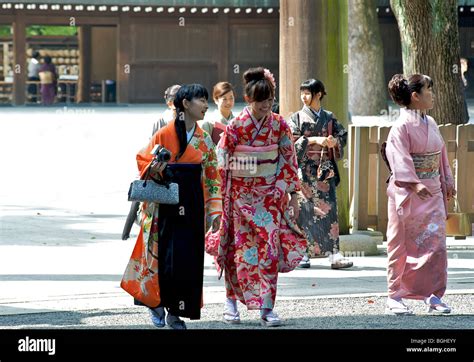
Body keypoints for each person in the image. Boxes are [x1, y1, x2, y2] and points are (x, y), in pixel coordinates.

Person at [121, 84, 222, 329]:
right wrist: (154, 169)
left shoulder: (204, 139)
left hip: (192, 205)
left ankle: (176, 312)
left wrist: (214, 210)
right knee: (159, 258)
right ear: (185, 104)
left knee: (186, 259)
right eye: (201, 99)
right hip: (160, 206)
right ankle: (156, 303)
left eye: (207, 100)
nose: (206, 105)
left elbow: (212, 175)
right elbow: (142, 160)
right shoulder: (163, 134)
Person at [216, 67, 307, 327]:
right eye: (261, 101)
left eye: (270, 100)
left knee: (269, 251)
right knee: (239, 252)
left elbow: (289, 160)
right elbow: (222, 162)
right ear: (249, 100)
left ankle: (267, 308)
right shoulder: (235, 127)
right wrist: (226, 192)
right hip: (239, 198)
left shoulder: (279, 125)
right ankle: (231, 301)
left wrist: (291, 194)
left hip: (269, 198)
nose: (267, 105)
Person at [384, 74, 456, 315]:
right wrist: (414, 184)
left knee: (436, 246)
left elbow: (441, 155)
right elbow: (399, 160)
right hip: (407, 194)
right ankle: (395, 294)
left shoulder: (432, 122)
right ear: (415, 96)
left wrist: (447, 180)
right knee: (400, 244)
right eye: (428, 90)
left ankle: (433, 295)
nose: (432, 95)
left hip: (432, 191)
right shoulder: (401, 127)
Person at [287, 79, 352, 270]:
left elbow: (343, 135)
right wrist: (316, 139)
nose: (304, 97)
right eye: (302, 93)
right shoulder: (297, 118)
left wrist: (333, 141)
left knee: (329, 210)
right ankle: (303, 254)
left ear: (318, 95)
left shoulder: (329, 117)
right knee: (305, 210)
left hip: (324, 170)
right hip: (305, 169)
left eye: (308, 93)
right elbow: (291, 141)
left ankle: (333, 254)